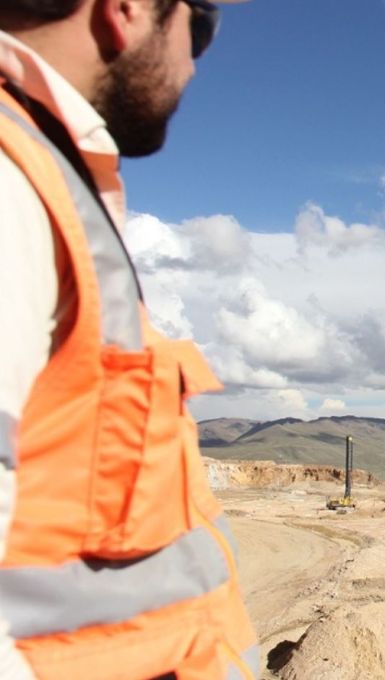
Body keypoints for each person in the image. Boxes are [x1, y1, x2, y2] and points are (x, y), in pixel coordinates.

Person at [0, 0, 257, 677]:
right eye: (199, 26)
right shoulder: (10, 180)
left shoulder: (41, 175)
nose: (197, 64)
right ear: (130, 9)